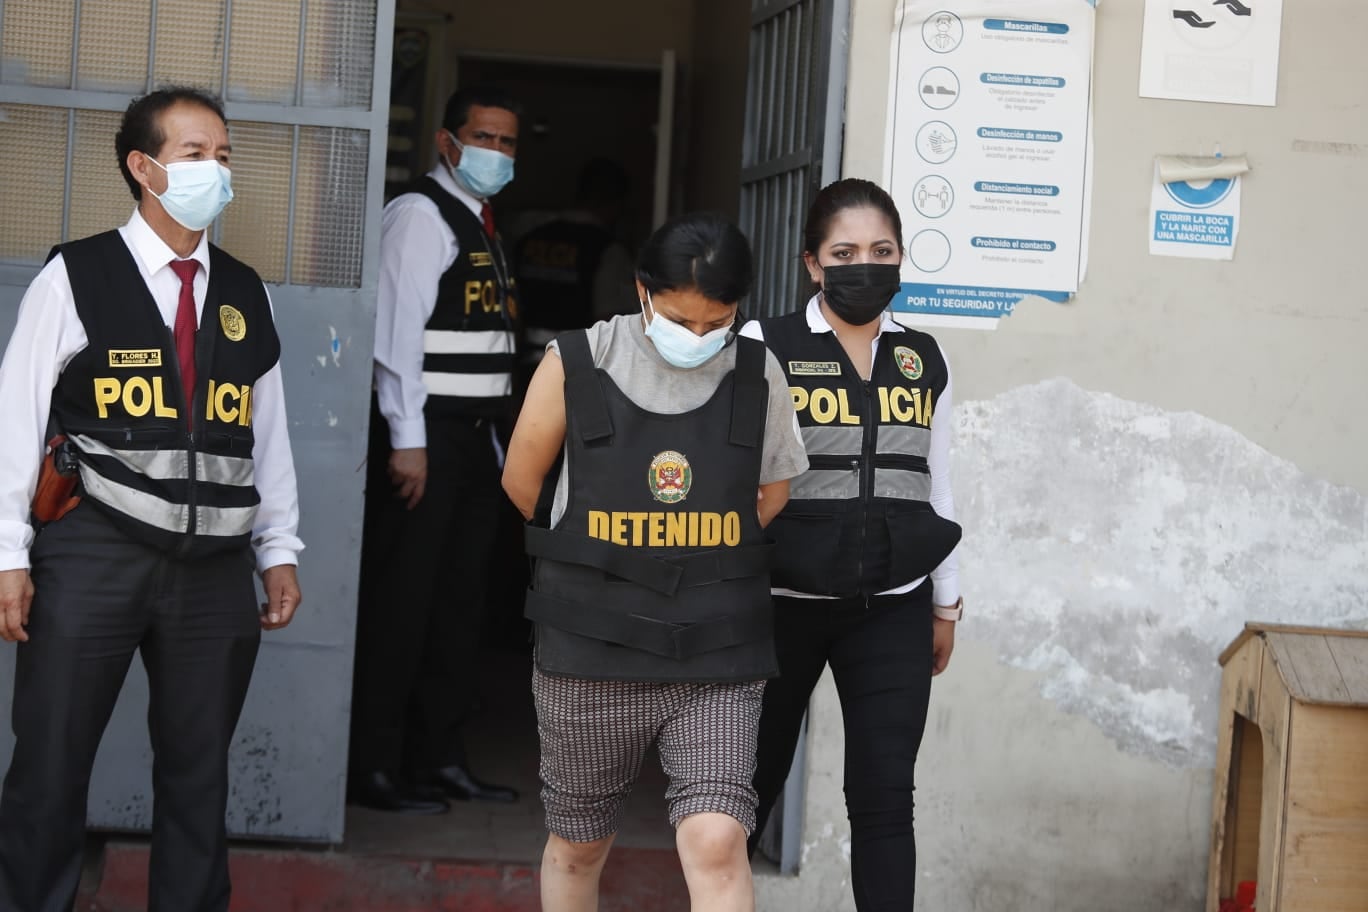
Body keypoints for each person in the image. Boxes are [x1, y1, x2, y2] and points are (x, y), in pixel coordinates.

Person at [0, 86, 304, 911]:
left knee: (199, 775)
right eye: (195, 154)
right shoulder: (77, 276)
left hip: (212, 569)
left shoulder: (244, 291)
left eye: (225, 155)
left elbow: (264, 433)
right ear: (143, 167)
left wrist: (279, 548)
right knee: (51, 766)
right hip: (93, 550)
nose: (216, 170)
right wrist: (8, 557)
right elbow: (16, 419)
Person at [502, 212, 808, 912]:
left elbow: (771, 492)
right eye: (680, 319)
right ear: (642, 292)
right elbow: (524, 487)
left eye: (717, 322)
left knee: (717, 840)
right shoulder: (577, 361)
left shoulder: (759, 372)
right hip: (589, 651)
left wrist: (697, 555)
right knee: (578, 846)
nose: (698, 337)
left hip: (717, 654)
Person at [742, 178, 964, 910]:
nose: (863, 265)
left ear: (901, 258)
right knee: (742, 796)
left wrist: (947, 601)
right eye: (844, 252)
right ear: (812, 263)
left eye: (881, 250)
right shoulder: (762, 344)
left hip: (892, 605)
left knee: (883, 800)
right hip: (776, 606)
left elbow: (941, 480)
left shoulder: (923, 357)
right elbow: (729, 478)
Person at [348, 84, 522, 813]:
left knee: (458, 606)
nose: (497, 152)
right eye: (484, 137)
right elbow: (395, 343)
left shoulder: (483, 223)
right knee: (403, 605)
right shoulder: (421, 216)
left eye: (510, 142)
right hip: (424, 442)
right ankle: (374, 767)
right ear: (448, 143)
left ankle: (439, 758)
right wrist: (409, 441)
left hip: (472, 441)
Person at [513, 156, 637, 350]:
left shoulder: (531, 239)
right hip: (573, 364)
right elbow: (611, 322)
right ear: (616, 203)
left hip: (523, 358)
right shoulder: (608, 251)